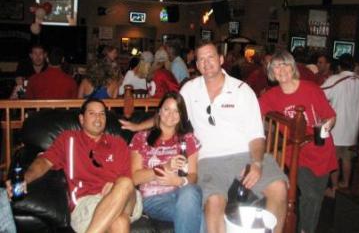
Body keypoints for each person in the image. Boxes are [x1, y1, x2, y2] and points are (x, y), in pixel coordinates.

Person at [121, 42, 288, 233]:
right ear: (197, 65)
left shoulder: (243, 90)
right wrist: (137, 126)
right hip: (210, 161)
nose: (206, 63)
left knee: (279, 187)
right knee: (214, 203)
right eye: (201, 59)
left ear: (221, 59)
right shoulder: (190, 90)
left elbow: (257, 136)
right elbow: (167, 113)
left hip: (246, 155)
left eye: (211, 57)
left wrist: (257, 164)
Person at [6, 98, 140, 233]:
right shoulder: (68, 140)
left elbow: (128, 179)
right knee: (120, 222)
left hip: (125, 199)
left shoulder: (118, 143)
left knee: (125, 182)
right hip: (87, 203)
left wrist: (115, 184)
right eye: (92, 113)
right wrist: (25, 178)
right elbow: (45, 162)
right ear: (81, 119)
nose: (98, 117)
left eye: (102, 113)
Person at [258, 50, 337, 233]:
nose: (281, 69)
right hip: (296, 152)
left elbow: (331, 116)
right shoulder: (271, 95)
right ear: (271, 73)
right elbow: (251, 111)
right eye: (276, 66)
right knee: (309, 195)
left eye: (284, 64)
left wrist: (323, 129)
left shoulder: (311, 89)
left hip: (321, 150)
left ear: (292, 67)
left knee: (316, 197)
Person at [130, 91, 202, 233]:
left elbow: (193, 176)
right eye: (167, 109)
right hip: (154, 198)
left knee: (189, 192)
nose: (171, 115)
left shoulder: (188, 139)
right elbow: (134, 178)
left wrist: (178, 182)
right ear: (159, 111)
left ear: (181, 116)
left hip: (185, 193)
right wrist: (165, 167)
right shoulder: (141, 138)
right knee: (199, 217)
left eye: (176, 111)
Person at [322, 54, 359, 195]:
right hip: (353, 128)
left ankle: (334, 187)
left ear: (339, 66)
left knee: (334, 159)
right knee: (347, 158)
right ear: (354, 65)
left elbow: (320, 94)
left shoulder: (335, 80)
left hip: (336, 128)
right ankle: (346, 183)